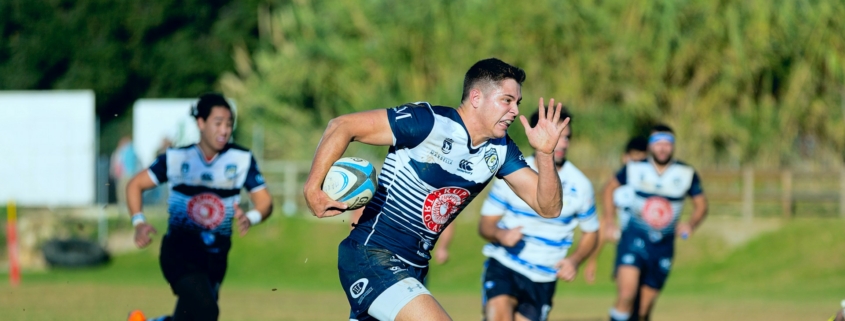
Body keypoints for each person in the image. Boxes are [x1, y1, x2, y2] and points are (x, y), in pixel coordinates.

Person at [303, 58, 570, 321]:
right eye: (507, 100)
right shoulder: (428, 122)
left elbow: (549, 207)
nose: (514, 111)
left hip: (415, 268)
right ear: (476, 97)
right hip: (372, 255)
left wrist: (545, 154)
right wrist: (313, 187)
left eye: (517, 103)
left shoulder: (500, 150)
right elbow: (342, 125)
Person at [125, 93, 273, 321]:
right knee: (207, 310)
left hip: (215, 257)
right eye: (218, 123)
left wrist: (251, 217)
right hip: (179, 252)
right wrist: (139, 222)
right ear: (201, 123)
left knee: (191, 316)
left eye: (229, 124)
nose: (224, 130)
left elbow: (265, 201)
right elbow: (135, 184)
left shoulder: (241, 159)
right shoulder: (176, 158)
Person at [473, 107, 599, 321]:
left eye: (566, 137)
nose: (563, 143)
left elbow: (591, 232)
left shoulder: (581, 185)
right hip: (505, 264)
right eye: (557, 136)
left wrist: (575, 261)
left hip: (543, 276)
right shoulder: (513, 173)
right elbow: (485, 225)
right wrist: (501, 235)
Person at [602, 125, 708, 321]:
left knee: (642, 311)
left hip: (663, 245)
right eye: (658, 143)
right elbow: (608, 189)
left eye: (667, 144)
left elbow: (701, 205)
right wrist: (609, 221)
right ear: (651, 145)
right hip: (633, 239)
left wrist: (690, 224)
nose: (662, 148)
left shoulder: (685, 173)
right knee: (626, 295)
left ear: (673, 146)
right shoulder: (635, 168)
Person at [583, 136, 648, 284]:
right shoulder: (620, 193)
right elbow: (605, 225)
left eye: (642, 160)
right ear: (625, 157)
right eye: (634, 159)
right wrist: (592, 261)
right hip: (627, 244)